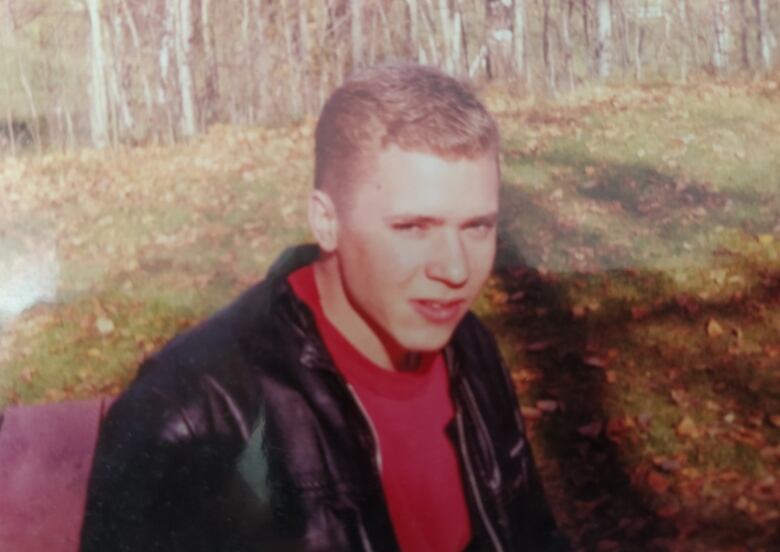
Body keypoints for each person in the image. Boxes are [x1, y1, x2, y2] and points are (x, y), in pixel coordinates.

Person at [80, 63, 569, 552]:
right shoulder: (192, 414)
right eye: (413, 228)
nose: (456, 270)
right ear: (326, 222)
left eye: (477, 227)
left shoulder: (469, 348)